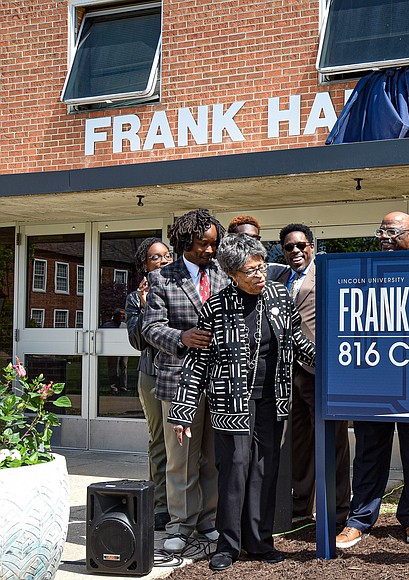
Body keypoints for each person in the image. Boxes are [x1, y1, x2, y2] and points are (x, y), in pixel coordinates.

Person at [168, 233, 316, 571]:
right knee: (234, 469)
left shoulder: (279, 295)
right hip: (231, 402)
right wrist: (182, 411)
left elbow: (295, 340)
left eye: (262, 267)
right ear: (232, 274)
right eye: (251, 271)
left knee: (265, 470)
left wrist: (325, 363)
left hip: (272, 398)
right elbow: (198, 362)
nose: (260, 275)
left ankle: (260, 542)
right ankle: (228, 544)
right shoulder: (217, 307)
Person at [335, 211, 409, 548]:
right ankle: (359, 520)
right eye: (381, 230)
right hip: (373, 378)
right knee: (368, 451)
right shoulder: (363, 273)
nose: (384, 236)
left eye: (392, 231)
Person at [142, 209, 229, 552]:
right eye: (202, 244)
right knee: (181, 458)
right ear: (184, 241)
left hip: (218, 380)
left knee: (210, 456)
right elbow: (150, 328)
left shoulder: (224, 274)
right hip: (178, 381)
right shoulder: (164, 278)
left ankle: (208, 519)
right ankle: (180, 524)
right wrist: (182, 338)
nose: (209, 251)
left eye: (213, 245)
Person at [277, 223, 351, 525]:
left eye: (301, 245)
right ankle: (300, 508)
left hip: (320, 371)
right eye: (288, 247)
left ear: (312, 245)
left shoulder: (330, 274)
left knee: (333, 444)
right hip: (286, 374)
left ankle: (338, 512)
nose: (295, 251)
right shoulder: (277, 278)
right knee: (298, 445)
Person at [125, 237, 173, 531]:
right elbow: (138, 341)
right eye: (156, 257)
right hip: (151, 374)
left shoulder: (181, 289)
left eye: (167, 256)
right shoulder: (134, 298)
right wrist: (143, 305)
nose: (164, 261)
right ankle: (161, 506)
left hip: (181, 372)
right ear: (145, 264)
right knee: (159, 441)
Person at [102, 309, 128, 392]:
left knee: (124, 367)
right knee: (113, 368)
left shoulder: (125, 325)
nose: (123, 316)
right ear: (115, 315)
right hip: (112, 350)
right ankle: (114, 386)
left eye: (124, 315)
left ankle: (123, 387)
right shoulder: (107, 325)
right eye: (121, 315)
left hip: (124, 349)